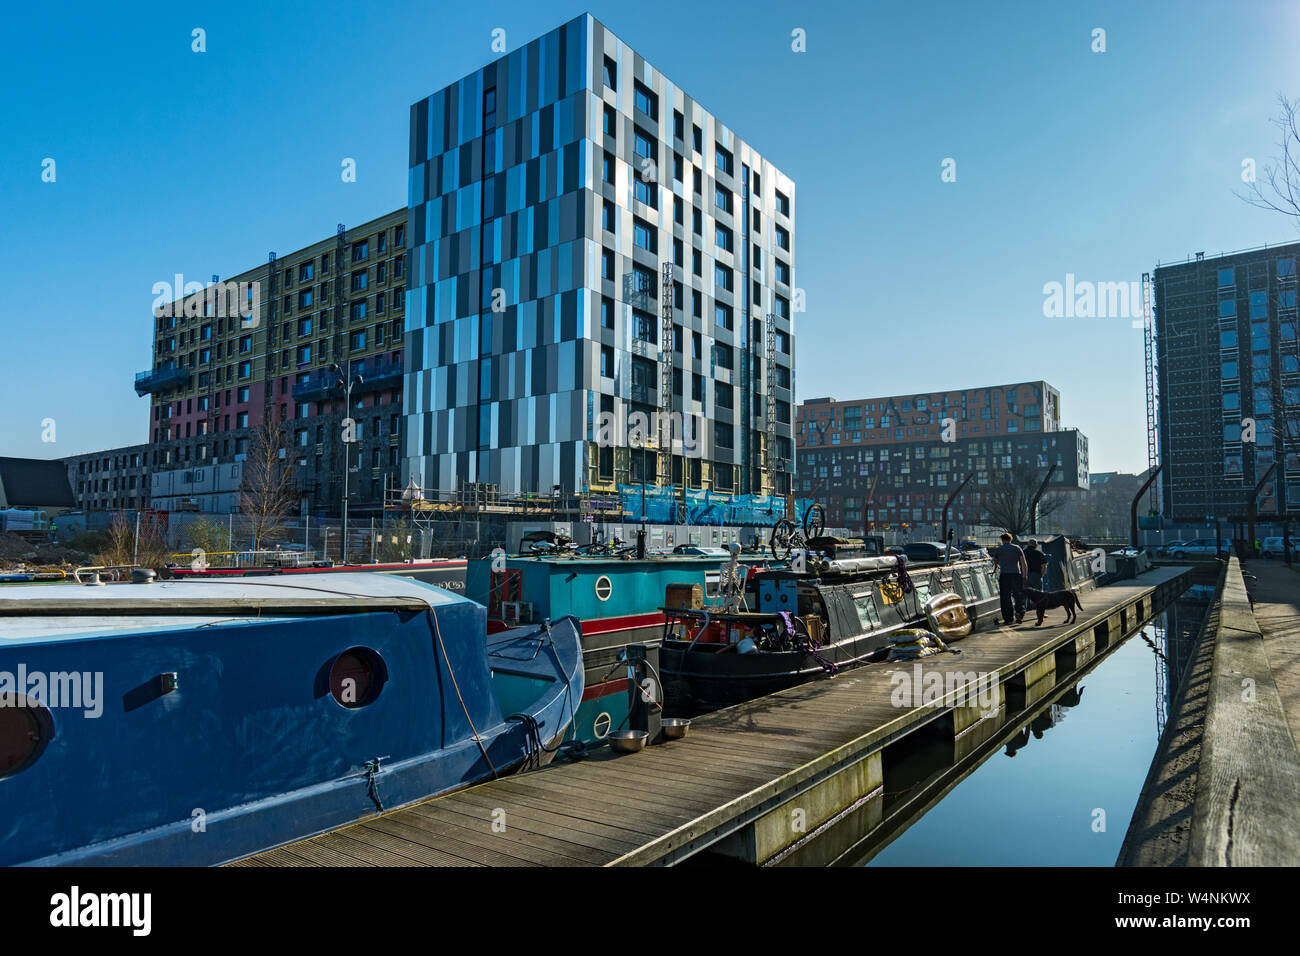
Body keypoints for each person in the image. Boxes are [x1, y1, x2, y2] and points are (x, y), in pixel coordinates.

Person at [990, 532, 1028, 625]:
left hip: (1004, 575)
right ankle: (1019, 613)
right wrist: (1024, 575)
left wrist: (1003, 563)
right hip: (1016, 574)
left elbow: (995, 562)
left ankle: (1008, 618)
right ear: (1010, 539)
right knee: (1018, 596)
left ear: (1002, 540)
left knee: (1005, 598)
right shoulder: (1017, 548)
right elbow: (1024, 563)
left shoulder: (999, 549)